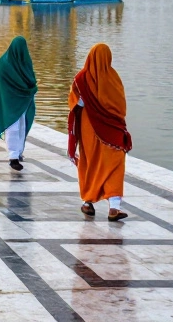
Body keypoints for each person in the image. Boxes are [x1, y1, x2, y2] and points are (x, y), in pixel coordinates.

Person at [69, 43, 132, 221]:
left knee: (91, 163)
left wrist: (84, 101)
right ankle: (113, 207)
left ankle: (89, 202)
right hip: (111, 131)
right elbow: (121, 107)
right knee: (114, 164)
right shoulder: (113, 78)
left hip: (88, 130)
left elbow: (75, 104)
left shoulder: (81, 78)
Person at [0, 36, 37, 171]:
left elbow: (31, 78)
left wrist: (28, 90)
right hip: (9, 101)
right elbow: (0, 83)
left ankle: (18, 152)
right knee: (13, 126)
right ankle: (13, 157)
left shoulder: (24, 61)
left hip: (22, 100)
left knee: (22, 126)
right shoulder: (4, 64)